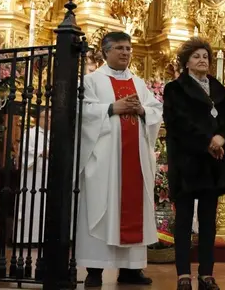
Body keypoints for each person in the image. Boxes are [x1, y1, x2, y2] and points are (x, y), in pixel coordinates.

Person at [77, 31, 163, 288]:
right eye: (120, 48)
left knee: (134, 210)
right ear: (106, 51)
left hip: (134, 160)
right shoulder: (91, 80)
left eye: (128, 48)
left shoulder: (138, 83)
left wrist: (142, 110)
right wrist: (112, 108)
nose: (126, 52)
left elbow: (156, 109)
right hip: (104, 161)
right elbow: (80, 110)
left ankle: (131, 269)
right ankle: (94, 269)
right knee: (100, 208)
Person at [163, 38, 225, 290]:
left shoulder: (222, 91)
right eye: (197, 56)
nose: (202, 60)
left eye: (205, 57)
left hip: (214, 164)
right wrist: (207, 142)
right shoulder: (174, 89)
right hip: (188, 162)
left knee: (208, 222)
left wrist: (223, 138)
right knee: (184, 220)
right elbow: (177, 122)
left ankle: (207, 273)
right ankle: (183, 274)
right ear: (186, 62)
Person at [17, 104, 51, 244]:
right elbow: (24, 149)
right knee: (31, 203)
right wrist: (41, 152)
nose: (48, 120)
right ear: (39, 119)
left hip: (49, 174)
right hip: (33, 175)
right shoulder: (30, 133)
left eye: (50, 118)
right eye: (45, 118)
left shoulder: (54, 134)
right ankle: (25, 238)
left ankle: (43, 238)